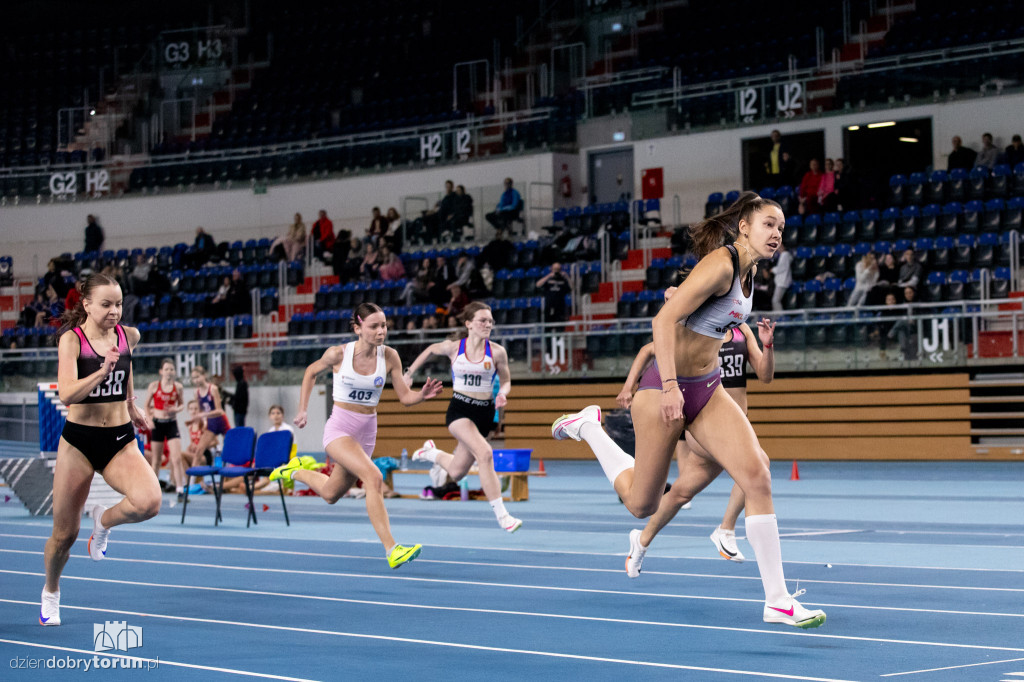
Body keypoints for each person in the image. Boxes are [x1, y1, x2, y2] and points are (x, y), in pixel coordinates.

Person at [551, 191, 825, 629]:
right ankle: (589, 428)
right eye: (769, 224)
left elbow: (705, 322)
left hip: (709, 386)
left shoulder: (751, 274)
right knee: (641, 504)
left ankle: (777, 600)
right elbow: (661, 323)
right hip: (665, 387)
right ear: (745, 227)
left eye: (782, 228)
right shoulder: (722, 263)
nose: (777, 233)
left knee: (757, 473)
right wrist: (672, 386)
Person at [268, 302, 442, 568]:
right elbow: (310, 372)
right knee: (373, 476)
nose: (381, 331)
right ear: (358, 328)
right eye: (374, 326)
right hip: (340, 429)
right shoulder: (338, 354)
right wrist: (303, 410)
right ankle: (392, 549)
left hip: (367, 431)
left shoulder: (390, 356)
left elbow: (405, 397)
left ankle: (293, 471)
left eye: (383, 325)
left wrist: (422, 396)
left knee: (330, 494)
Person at [41, 273, 160, 626]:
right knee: (64, 536)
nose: (114, 312)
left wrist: (131, 404)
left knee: (150, 501)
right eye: (106, 305)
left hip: (119, 439)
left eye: (119, 304)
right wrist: (101, 371)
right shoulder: (71, 341)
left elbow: (127, 361)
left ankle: (104, 521)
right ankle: (51, 591)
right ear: (87, 304)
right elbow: (66, 394)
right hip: (79, 441)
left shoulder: (128, 335)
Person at [617, 311, 776, 575]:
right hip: (705, 422)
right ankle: (725, 529)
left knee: (681, 492)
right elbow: (650, 348)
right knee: (758, 466)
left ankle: (642, 540)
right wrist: (629, 386)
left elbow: (765, 375)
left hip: (735, 424)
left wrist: (768, 345)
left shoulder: (742, 331)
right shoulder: (700, 329)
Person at [404, 301, 521, 533]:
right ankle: (503, 515)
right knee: (485, 454)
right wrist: (408, 374)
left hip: (485, 413)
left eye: (490, 321)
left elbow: (506, 381)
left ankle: (431, 452)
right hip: (459, 411)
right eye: (482, 320)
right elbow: (428, 350)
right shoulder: (453, 348)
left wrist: (503, 395)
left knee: (457, 472)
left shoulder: (497, 352)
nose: (488, 324)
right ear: (469, 324)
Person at [144, 358, 186, 498]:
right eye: (166, 369)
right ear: (161, 371)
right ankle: (153, 490)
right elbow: (146, 405)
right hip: (157, 423)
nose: (169, 372)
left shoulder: (178, 387)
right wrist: (149, 420)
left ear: (174, 372)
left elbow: (181, 404)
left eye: (171, 369)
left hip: (171, 423)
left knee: (177, 458)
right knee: (156, 460)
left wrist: (176, 409)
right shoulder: (154, 386)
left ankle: (180, 489)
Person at [188, 365, 230, 469]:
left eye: (198, 377)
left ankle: (230, 476)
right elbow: (200, 410)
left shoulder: (213, 389)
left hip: (222, 422)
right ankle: (191, 482)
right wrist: (202, 420)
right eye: (193, 378)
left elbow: (220, 410)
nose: (196, 380)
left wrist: (204, 415)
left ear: (204, 376)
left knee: (230, 450)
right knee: (199, 451)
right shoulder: (196, 392)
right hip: (211, 424)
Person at [770, 244, 792, 312]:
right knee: (776, 300)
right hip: (781, 281)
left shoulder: (785, 255)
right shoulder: (785, 255)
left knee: (775, 301)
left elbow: (781, 268)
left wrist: (772, 270)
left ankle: (780, 317)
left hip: (782, 282)